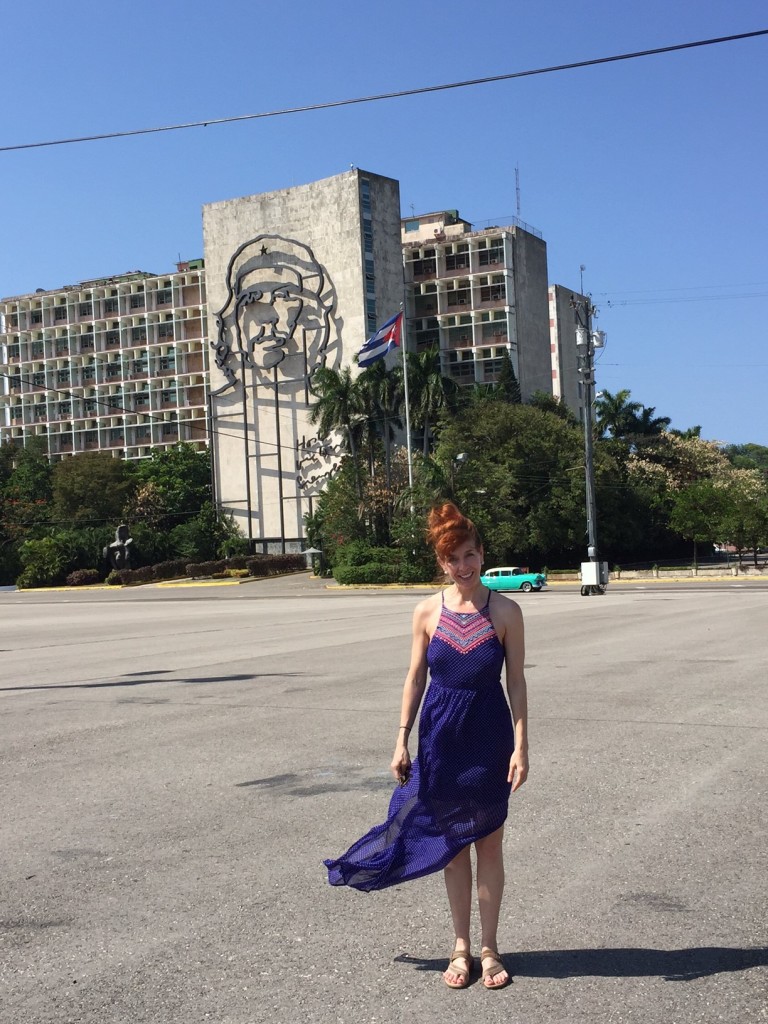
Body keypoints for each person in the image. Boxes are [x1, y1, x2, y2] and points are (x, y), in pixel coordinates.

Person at [324, 502, 529, 990]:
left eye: (471, 554)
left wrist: (521, 747)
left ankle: (489, 947)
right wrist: (400, 739)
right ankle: (461, 947)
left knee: (489, 844)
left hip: (488, 738)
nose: (465, 566)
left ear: (483, 555)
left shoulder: (505, 611)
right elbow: (415, 677)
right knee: (453, 850)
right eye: (454, 558)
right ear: (441, 563)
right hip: (439, 739)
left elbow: (516, 682)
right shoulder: (425, 611)